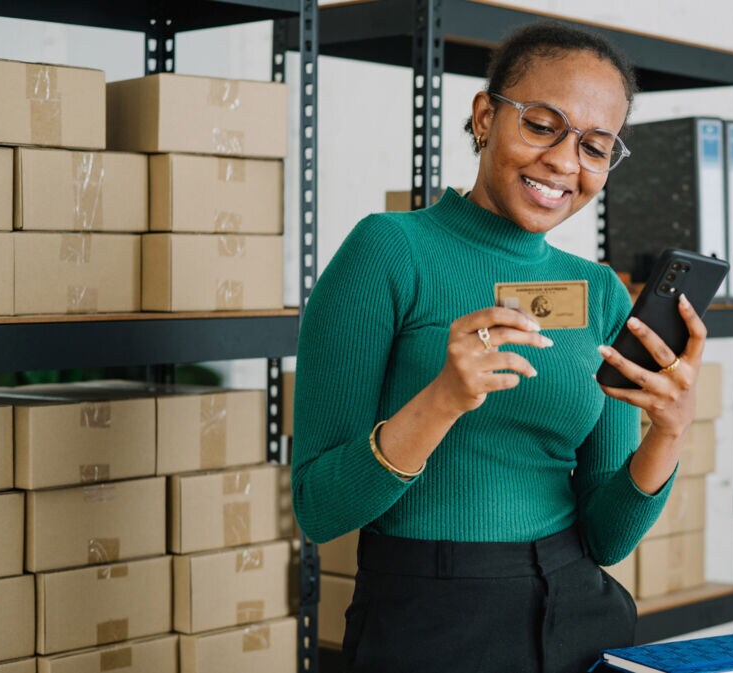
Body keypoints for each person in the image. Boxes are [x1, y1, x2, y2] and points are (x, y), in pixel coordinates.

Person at [292, 19, 711, 673]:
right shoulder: (388, 252)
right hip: (429, 616)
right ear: (486, 116)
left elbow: (605, 537)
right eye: (542, 125)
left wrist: (668, 432)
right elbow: (319, 508)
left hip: (579, 609)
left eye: (596, 148)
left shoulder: (600, 291)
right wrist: (443, 399)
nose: (565, 163)